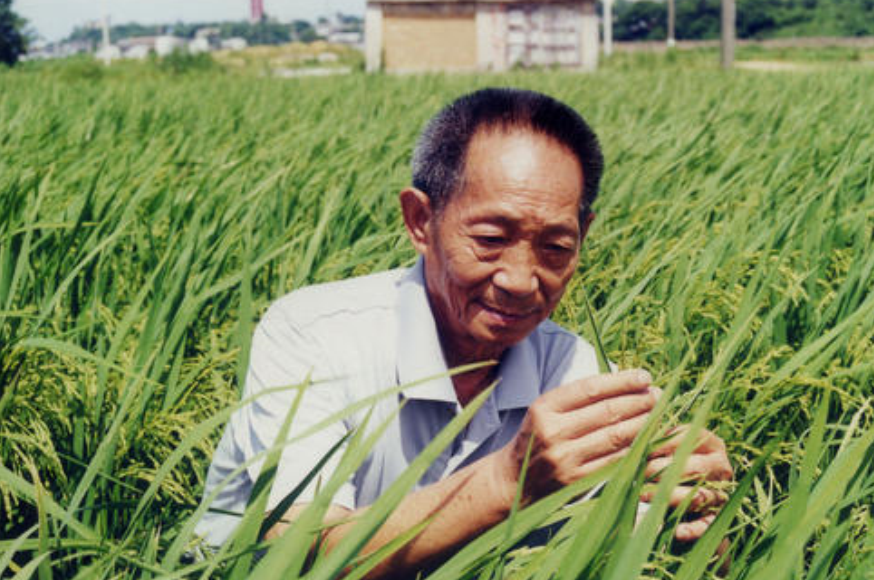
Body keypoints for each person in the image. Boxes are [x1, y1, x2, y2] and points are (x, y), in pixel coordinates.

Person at [195, 87, 732, 576]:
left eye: (556, 248)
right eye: (491, 238)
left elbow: (635, 550)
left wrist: (693, 511)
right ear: (420, 221)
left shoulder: (573, 370)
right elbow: (302, 551)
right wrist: (506, 482)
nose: (522, 281)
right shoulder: (312, 335)